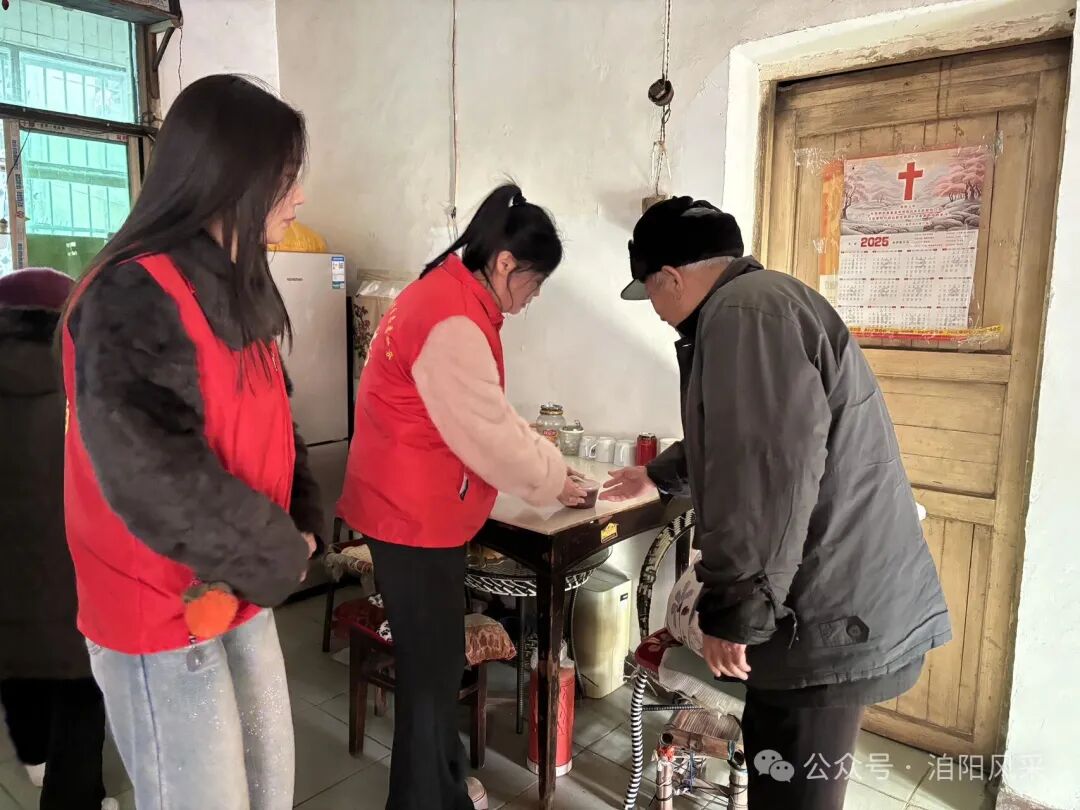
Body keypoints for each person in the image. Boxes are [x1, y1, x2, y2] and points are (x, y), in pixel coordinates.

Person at [603, 197, 952, 810]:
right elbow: (751, 437)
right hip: (825, 598)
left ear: (670, 279)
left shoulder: (743, 316)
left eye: (649, 293)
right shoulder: (762, 302)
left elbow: (764, 478)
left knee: (795, 790)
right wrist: (658, 476)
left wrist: (734, 615)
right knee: (785, 772)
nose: (655, 311)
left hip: (824, 606)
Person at [60, 75, 324, 810]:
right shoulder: (129, 293)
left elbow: (278, 424)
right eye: (286, 179)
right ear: (229, 178)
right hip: (160, 608)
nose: (299, 198)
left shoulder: (240, 286)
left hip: (238, 590)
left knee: (269, 791)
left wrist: (302, 519)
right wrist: (278, 552)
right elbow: (152, 472)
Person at [337, 183, 585, 810]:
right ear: (504, 264)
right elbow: (490, 434)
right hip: (411, 516)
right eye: (535, 282)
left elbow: (487, 411)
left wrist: (548, 465)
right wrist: (554, 479)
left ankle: (443, 788)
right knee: (431, 674)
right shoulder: (451, 317)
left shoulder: (446, 297)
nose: (533, 297)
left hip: (409, 510)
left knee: (437, 665)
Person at [0, 268, 117, 810]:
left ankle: (35, 760)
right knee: (81, 696)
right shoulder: (91, 379)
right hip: (77, 585)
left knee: (17, 668)